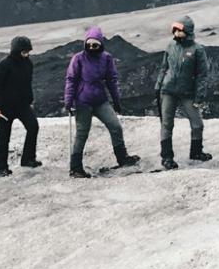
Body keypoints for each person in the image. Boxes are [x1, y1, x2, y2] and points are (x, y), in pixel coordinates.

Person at [63, 26, 140, 177]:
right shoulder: (78, 58)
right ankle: (75, 168)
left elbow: (112, 80)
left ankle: (122, 158)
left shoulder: (106, 58)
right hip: (83, 101)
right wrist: (69, 101)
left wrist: (116, 101)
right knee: (82, 134)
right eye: (89, 44)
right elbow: (71, 79)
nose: (92, 47)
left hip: (100, 100)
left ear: (100, 44)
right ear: (85, 43)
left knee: (115, 126)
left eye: (95, 45)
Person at [154, 15, 211, 170]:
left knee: (197, 124)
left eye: (179, 30)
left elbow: (202, 75)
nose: (176, 33)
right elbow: (164, 67)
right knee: (167, 124)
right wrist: (158, 85)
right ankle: (166, 157)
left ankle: (196, 152)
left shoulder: (197, 50)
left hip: (188, 92)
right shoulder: (170, 46)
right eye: (175, 30)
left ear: (188, 31)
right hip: (168, 90)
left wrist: (199, 96)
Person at [0, 35, 39, 175]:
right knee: (3, 137)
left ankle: (28, 159)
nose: (27, 54)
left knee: (33, 127)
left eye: (28, 51)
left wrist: (30, 100)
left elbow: (27, 84)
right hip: (5, 107)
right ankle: (1, 167)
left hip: (23, 105)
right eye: (24, 51)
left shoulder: (28, 64)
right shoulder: (3, 65)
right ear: (16, 51)